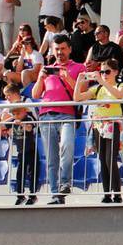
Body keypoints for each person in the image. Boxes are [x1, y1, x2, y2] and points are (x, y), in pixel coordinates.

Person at [34, 36, 86, 204]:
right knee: (51, 158)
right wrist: (40, 78)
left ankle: (65, 183)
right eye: (56, 49)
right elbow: (35, 94)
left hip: (67, 115)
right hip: (46, 115)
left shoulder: (79, 67)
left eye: (63, 48)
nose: (59, 52)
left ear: (69, 49)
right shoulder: (48, 68)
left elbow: (81, 94)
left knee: (67, 146)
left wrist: (67, 77)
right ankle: (56, 194)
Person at [89, 55, 123, 203]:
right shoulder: (98, 88)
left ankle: (117, 193)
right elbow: (78, 97)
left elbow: (119, 96)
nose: (104, 75)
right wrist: (79, 80)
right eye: (102, 72)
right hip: (99, 125)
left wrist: (102, 81)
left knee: (110, 159)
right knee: (102, 159)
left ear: (115, 72)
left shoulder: (121, 85)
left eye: (107, 71)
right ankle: (107, 193)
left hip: (113, 125)